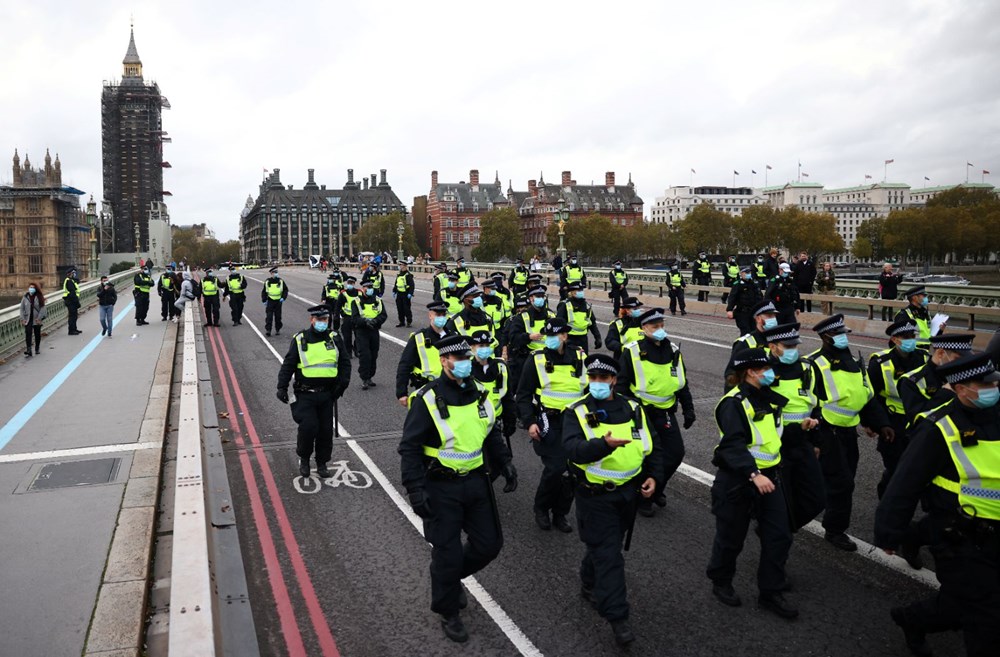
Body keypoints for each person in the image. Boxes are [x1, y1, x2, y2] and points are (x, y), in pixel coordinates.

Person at [874, 351, 1000, 657]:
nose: (991, 389)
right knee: (987, 620)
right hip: (960, 536)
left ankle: (913, 620)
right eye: (982, 385)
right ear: (958, 388)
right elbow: (904, 483)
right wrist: (889, 533)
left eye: (994, 382)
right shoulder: (939, 428)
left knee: (966, 602)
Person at [398, 334, 517, 643]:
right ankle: (448, 610)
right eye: (459, 359)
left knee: (488, 545)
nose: (465, 363)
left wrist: (505, 463)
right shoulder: (427, 398)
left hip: (476, 481)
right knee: (447, 553)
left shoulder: (480, 393)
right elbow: (409, 447)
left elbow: (490, 433)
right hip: (440, 486)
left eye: (467, 358)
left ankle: (450, 579)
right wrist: (414, 489)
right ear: (444, 362)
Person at [564, 353, 661, 646]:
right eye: (592, 378)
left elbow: (652, 446)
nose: (597, 383)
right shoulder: (577, 412)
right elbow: (572, 449)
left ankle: (588, 581)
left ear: (614, 380)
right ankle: (618, 618)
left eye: (603, 378)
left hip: (627, 494)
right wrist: (602, 446)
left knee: (606, 546)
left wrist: (653, 476)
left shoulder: (633, 408)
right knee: (609, 556)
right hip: (595, 496)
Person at [706, 347, 799, 620]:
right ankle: (721, 580)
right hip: (739, 480)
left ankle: (770, 592)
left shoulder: (769, 398)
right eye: (766, 368)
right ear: (751, 372)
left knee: (780, 535)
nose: (772, 372)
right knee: (731, 537)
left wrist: (800, 427)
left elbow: (770, 435)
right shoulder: (733, 403)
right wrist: (753, 473)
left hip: (770, 477)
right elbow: (732, 445)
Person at [808, 314, 893, 551]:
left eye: (845, 333)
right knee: (841, 483)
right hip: (826, 431)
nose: (844, 338)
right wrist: (814, 436)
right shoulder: (815, 363)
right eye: (838, 334)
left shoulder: (855, 362)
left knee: (842, 480)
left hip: (847, 433)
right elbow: (808, 403)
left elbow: (866, 396)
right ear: (825, 337)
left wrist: (880, 423)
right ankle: (834, 530)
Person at [615, 308, 695, 517]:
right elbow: (621, 386)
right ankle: (644, 496)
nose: (660, 330)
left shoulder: (674, 350)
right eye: (654, 326)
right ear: (644, 328)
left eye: (661, 326)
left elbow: (681, 383)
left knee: (675, 453)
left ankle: (656, 487)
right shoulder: (632, 351)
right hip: (641, 412)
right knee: (647, 456)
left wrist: (688, 409)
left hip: (666, 412)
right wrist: (628, 411)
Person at [516, 317, 586, 533]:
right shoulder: (536, 359)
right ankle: (541, 507)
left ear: (564, 336)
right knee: (555, 468)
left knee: (573, 471)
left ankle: (561, 513)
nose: (550, 340)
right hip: (550, 420)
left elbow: (590, 390)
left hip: (576, 423)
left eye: (554, 336)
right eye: (547, 336)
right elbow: (523, 395)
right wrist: (529, 422)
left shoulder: (581, 357)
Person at [759, 323, 825, 531]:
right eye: (787, 346)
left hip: (803, 441)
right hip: (776, 445)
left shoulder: (807, 367)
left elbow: (818, 405)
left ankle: (782, 527)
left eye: (794, 346)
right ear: (772, 347)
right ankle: (776, 531)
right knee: (780, 499)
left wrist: (815, 440)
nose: (792, 351)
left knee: (816, 498)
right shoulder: (764, 372)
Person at [275, 305, 351, 477]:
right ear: (312, 320)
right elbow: (289, 364)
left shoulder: (335, 338)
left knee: (325, 430)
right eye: (319, 320)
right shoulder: (300, 339)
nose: (323, 323)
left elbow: (345, 364)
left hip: (327, 394)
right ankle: (304, 458)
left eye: (325, 320)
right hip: (305, 394)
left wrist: (342, 385)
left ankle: (322, 462)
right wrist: (282, 386)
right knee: (309, 427)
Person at [868, 320, 929, 499]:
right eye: (906, 337)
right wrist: (874, 424)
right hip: (894, 423)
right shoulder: (881, 362)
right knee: (896, 470)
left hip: (919, 421)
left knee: (920, 468)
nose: (911, 340)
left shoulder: (924, 358)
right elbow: (872, 396)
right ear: (895, 339)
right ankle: (887, 502)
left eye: (913, 336)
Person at [396, 301, 459, 407]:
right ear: (430, 315)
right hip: (426, 388)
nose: (441, 318)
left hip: (451, 388)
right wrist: (401, 392)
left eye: (444, 315)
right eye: (438, 315)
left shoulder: (454, 337)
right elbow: (405, 365)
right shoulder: (418, 338)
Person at [468, 330, 518, 444]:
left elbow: (507, 396)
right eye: (481, 346)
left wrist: (510, 420)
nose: (485, 349)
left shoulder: (501, 367)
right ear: (472, 348)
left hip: (495, 422)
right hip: (474, 423)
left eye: (487, 345)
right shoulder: (467, 369)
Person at [507, 284, 555, 384]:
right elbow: (513, 338)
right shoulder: (522, 317)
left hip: (548, 357)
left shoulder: (551, 315)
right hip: (528, 357)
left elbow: (561, 335)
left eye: (542, 296)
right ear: (531, 299)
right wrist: (528, 337)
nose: (540, 299)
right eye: (538, 296)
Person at [350, 279, 387, 390]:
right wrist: (365, 322)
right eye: (367, 287)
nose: (369, 289)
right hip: (362, 331)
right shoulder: (356, 301)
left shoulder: (378, 300)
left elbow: (383, 315)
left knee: (374, 354)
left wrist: (375, 321)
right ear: (362, 289)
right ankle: (364, 378)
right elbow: (355, 318)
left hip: (374, 331)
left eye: (371, 287)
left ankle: (370, 376)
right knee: (365, 355)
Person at [556, 281, 602, 354]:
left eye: (581, 290)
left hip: (583, 339)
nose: (580, 292)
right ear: (571, 292)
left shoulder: (587, 306)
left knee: (583, 361)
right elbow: (558, 323)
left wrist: (597, 337)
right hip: (569, 338)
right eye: (578, 290)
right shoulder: (564, 305)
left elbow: (592, 323)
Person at [726, 266, 763, 336]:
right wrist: (729, 309)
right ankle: (743, 346)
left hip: (753, 312)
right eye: (747, 272)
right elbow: (732, 297)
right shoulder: (738, 284)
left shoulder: (754, 283)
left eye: (749, 272)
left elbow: (759, 296)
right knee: (745, 332)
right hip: (742, 312)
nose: (749, 274)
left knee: (754, 331)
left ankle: (752, 346)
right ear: (742, 273)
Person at [19, 282, 46, 357]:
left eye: (33, 287)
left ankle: (37, 348)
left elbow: (42, 308)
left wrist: (39, 318)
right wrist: (22, 318)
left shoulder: (39, 296)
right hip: (28, 319)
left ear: (36, 289)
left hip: (36, 319)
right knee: (28, 334)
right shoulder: (25, 297)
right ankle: (29, 350)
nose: (31, 289)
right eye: (30, 287)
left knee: (37, 334)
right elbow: (21, 308)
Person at [261, 267, 288, 337]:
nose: (276, 274)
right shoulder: (267, 281)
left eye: (276, 272)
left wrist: (283, 298)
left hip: (278, 301)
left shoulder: (281, 281)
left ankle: (277, 329)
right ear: (271, 273)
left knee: (278, 316)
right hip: (270, 300)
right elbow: (264, 291)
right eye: (274, 273)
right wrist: (264, 300)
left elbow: (285, 290)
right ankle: (268, 330)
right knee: (269, 316)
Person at [339, 276, 361, 358]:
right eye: (348, 283)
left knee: (358, 336)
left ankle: (356, 350)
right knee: (347, 337)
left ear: (354, 284)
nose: (349, 285)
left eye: (351, 283)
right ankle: (348, 352)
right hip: (347, 317)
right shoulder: (343, 293)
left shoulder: (359, 293)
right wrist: (341, 313)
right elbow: (338, 305)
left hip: (357, 318)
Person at [393, 262, 415, 327]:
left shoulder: (408, 275)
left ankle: (409, 321)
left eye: (401, 265)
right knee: (400, 308)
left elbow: (412, 285)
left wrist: (410, 293)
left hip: (406, 294)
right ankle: (401, 322)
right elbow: (396, 283)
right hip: (399, 294)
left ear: (405, 266)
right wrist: (394, 291)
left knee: (406, 309)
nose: (400, 266)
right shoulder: (399, 274)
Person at [62, 267, 82, 335]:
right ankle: (71, 330)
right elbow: (72, 292)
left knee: (74, 316)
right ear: (70, 274)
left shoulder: (71, 280)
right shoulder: (69, 281)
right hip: (71, 301)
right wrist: (77, 302)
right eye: (73, 273)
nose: (75, 274)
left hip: (71, 300)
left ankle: (74, 329)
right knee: (72, 316)